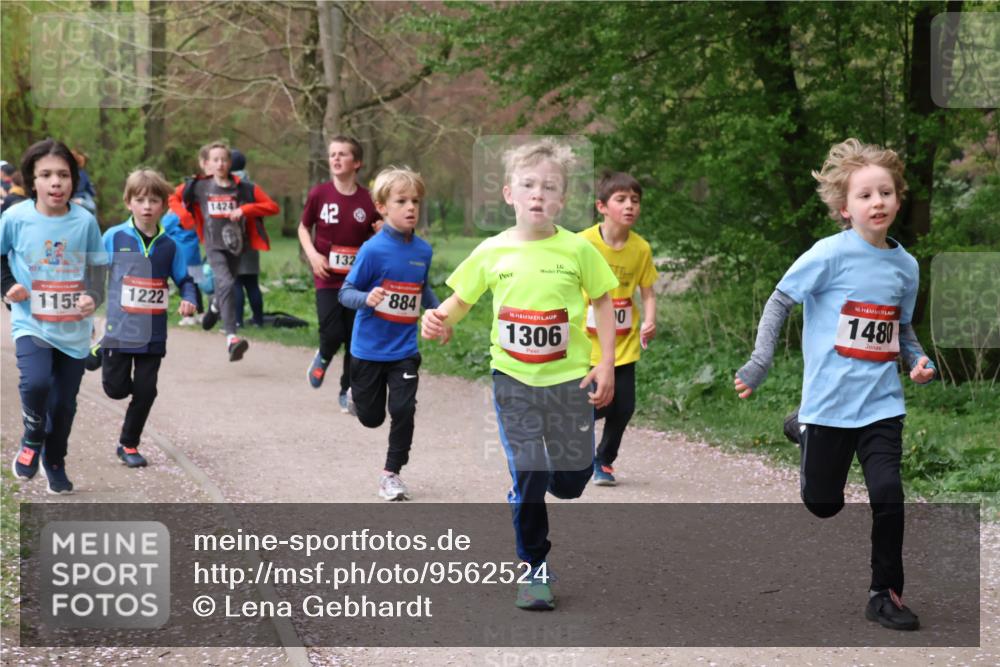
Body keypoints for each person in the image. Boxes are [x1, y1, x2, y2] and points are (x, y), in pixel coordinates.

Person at [734, 138, 936, 632]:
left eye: (885, 192)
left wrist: (917, 359)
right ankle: (803, 429)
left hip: (882, 405)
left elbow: (901, 328)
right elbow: (780, 301)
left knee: (888, 492)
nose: (877, 202)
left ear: (898, 199)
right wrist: (760, 362)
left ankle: (884, 594)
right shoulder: (828, 254)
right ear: (845, 208)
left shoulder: (906, 266)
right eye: (865, 195)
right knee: (823, 504)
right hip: (828, 405)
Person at [421, 139, 619, 610]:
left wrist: (606, 361)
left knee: (571, 482)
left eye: (549, 187)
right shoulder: (493, 250)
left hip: (569, 382)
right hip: (513, 381)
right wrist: (439, 318)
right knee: (529, 468)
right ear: (509, 194)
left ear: (561, 200)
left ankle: (543, 478)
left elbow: (603, 301)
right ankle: (534, 568)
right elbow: (462, 299)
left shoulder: (578, 250)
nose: (538, 194)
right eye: (528, 185)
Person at [1, 138, 109, 494]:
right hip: (31, 322)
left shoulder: (84, 221)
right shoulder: (15, 218)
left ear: (74, 179)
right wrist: (8, 286)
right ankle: (32, 437)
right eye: (46, 175)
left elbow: (97, 268)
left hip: (73, 329)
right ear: (32, 180)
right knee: (36, 383)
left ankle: (55, 460)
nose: (55, 182)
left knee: (63, 405)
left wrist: (93, 296)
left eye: (63, 174)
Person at [339, 166, 442, 501]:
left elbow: (422, 288)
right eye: (401, 201)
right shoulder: (372, 250)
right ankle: (356, 396)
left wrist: (440, 315)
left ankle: (391, 474)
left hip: (404, 350)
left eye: (415, 201)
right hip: (369, 349)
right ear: (382, 207)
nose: (411, 207)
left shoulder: (423, 251)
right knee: (371, 418)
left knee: (404, 409)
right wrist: (366, 298)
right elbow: (346, 292)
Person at [87, 169, 198, 468]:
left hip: (153, 332)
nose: (147, 206)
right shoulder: (114, 237)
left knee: (146, 390)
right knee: (116, 390)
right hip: (120, 330)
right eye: (140, 200)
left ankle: (129, 444)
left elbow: (185, 280)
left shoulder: (170, 245)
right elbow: (94, 275)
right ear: (129, 203)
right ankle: (102, 348)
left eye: (154, 200)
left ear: (164, 205)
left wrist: (189, 298)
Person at [579, 171, 658, 486]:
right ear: (602, 206)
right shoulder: (582, 243)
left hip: (623, 345)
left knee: (623, 407)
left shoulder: (641, 249)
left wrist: (650, 319)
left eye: (635, 200)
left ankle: (604, 460)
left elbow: (648, 292)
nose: (629, 206)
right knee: (591, 406)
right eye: (621, 199)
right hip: (585, 344)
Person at [168, 140, 278, 361]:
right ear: (207, 163)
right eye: (215, 160)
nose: (220, 164)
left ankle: (215, 306)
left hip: (237, 247)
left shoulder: (244, 188)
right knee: (227, 283)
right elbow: (173, 198)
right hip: (213, 246)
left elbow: (272, 207)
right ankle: (231, 337)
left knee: (226, 285)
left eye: (224, 159)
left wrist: (246, 209)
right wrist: (186, 217)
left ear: (230, 163)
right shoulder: (199, 186)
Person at [300, 136, 380, 409]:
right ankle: (323, 355)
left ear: (356, 163)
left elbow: (379, 234)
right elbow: (303, 228)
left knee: (354, 337)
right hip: (327, 276)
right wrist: (313, 255)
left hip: (357, 280)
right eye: (332, 154)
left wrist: (380, 231)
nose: (335, 158)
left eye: (342, 154)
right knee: (332, 332)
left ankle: (347, 390)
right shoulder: (319, 194)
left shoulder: (368, 200)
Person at [230, 149, 264, 328]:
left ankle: (237, 320)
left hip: (233, 240)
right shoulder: (252, 186)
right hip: (251, 240)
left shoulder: (228, 186)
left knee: (236, 282)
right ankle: (258, 320)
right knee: (252, 283)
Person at [70, 149, 97, 214]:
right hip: (79, 197)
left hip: (74, 197)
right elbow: (90, 189)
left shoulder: (80, 173)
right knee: (92, 207)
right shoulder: (82, 173)